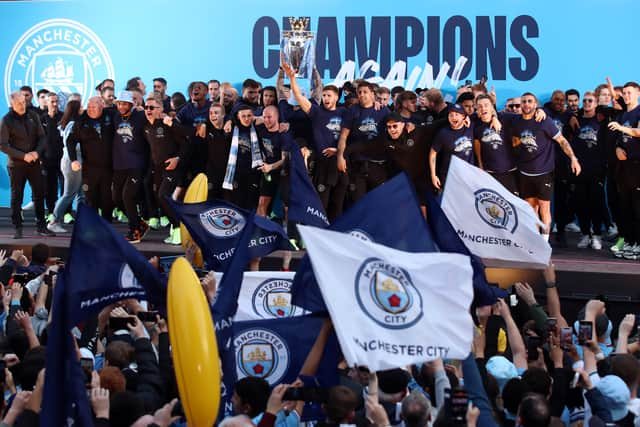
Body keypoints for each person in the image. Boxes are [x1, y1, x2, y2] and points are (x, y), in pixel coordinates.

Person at [510, 92, 581, 242]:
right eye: (524, 102)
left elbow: (562, 141)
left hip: (543, 173)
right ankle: (536, 242)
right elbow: (516, 141)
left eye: (530, 101)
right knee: (531, 209)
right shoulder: (516, 122)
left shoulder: (544, 121)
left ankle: (545, 242)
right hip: (525, 173)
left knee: (544, 209)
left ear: (536, 104)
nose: (526, 104)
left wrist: (573, 158)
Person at [283, 61, 349, 221]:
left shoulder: (345, 112)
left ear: (337, 97)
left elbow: (352, 134)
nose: (325, 98)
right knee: (321, 204)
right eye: (324, 95)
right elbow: (298, 96)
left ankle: (336, 239)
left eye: (329, 95)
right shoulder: (316, 112)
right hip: (322, 165)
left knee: (338, 204)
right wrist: (292, 79)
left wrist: (339, 151)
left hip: (342, 163)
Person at [0, 91, 53, 238]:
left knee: (39, 194)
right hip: (16, 165)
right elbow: (3, 146)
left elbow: (42, 137)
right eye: (19, 103)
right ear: (12, 104)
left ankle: (41, 226)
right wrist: (24, 156)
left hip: (34, 162)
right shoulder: (6, 120)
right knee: (17, 196)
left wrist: (36, 152)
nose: (22, 105)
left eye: (24, 102)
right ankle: (17, 227)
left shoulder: (33, 116)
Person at [143, 94, 187, 245]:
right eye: (146, 107)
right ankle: (175, 230)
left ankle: (179, 229)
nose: (148, 110)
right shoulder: (146, 125)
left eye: (151, 107)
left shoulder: (167, 122)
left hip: (172, 166)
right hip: (158, 168)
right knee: (159, 198)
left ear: (160, 109)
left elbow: (186, 141)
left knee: (163, 196)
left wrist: (177, 159)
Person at [336, 81, 390, 203]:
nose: (362, 95)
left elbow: (395, 128)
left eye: (365, 92)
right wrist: (340, 156)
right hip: (358, 164)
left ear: (372, 94)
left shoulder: (383, 110)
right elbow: (343, 136)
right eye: (359, 92)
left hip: (378, 164)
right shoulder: (352, 111)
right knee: (357, 202)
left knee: (378, 201)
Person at [67, 96, 115, 223]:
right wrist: (73, 160)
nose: (90, 109)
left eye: (94, 107)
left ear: (101, 106)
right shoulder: (81, 121)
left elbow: (126, 116)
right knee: (90, 199)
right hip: (90, 168)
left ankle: (107, 228)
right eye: (89, 106)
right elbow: (70, 141)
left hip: (108, 168)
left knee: (107, 200)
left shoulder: (110, 115)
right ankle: (92, 228)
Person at [112, 90, 150, 243]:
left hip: (137, 164)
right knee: (116, 198)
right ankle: (140, 223)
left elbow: (155, 117)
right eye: (119, 103)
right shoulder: (114, 116)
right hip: (119, 164)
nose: (121, 106)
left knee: (128, 196)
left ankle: (134, 230)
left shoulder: (140, 116)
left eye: (124, 104)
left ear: (131, 105)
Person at [608, 81, 640, 260]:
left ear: (637, 93)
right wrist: (617, 149)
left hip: (637, 166)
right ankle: (630, 241)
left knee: (637, 208)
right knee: (625, 207)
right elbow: (619, 140)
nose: (626, 96)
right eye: (624, 93)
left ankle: (638, 244)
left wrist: (622, 128)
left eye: (629, 92)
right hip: (625, 168)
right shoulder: (623, 114)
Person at [570, 91, 606, 250]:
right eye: (584, 100)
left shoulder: (601, 121)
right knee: (580, 203)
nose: (587, 103)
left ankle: (597, 235)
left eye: (590, 100)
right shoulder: (575, 120)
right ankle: (585, 234)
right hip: (579, 169)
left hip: (597, 169)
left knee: (596, 203)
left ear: (596, 103)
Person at [47, 99, 84, 234]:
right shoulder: (73, 124)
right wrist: (75, 160)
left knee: (81, 194)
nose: (83, 109)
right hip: (72, 161)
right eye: (81, 107)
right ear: (76, 109)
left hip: (74, 161)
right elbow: (70, 143)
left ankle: (82, 221)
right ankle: (54, 221)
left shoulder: (69, 123)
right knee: (69, 193)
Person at [429, 103, 474, 191]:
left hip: (468, 176)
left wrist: (494, 118)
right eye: (451, 115)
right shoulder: (443, 133)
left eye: (457, 114)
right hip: (450, 177)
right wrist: (433, 175)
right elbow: (433, 154)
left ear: (463, 116)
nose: (454, 117)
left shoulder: (470, 127)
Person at [40, 92, 64, 221]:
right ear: (47, 103)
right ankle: (50, 212)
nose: (55, 104)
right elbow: (37, 140)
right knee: (49, 188)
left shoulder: (63, 117)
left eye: (56, 101)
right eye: (52, 102)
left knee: (65, 187)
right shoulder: (42, 119)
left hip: (63, 159)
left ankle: (66, 213)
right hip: (47, 160)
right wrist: (40, 157)